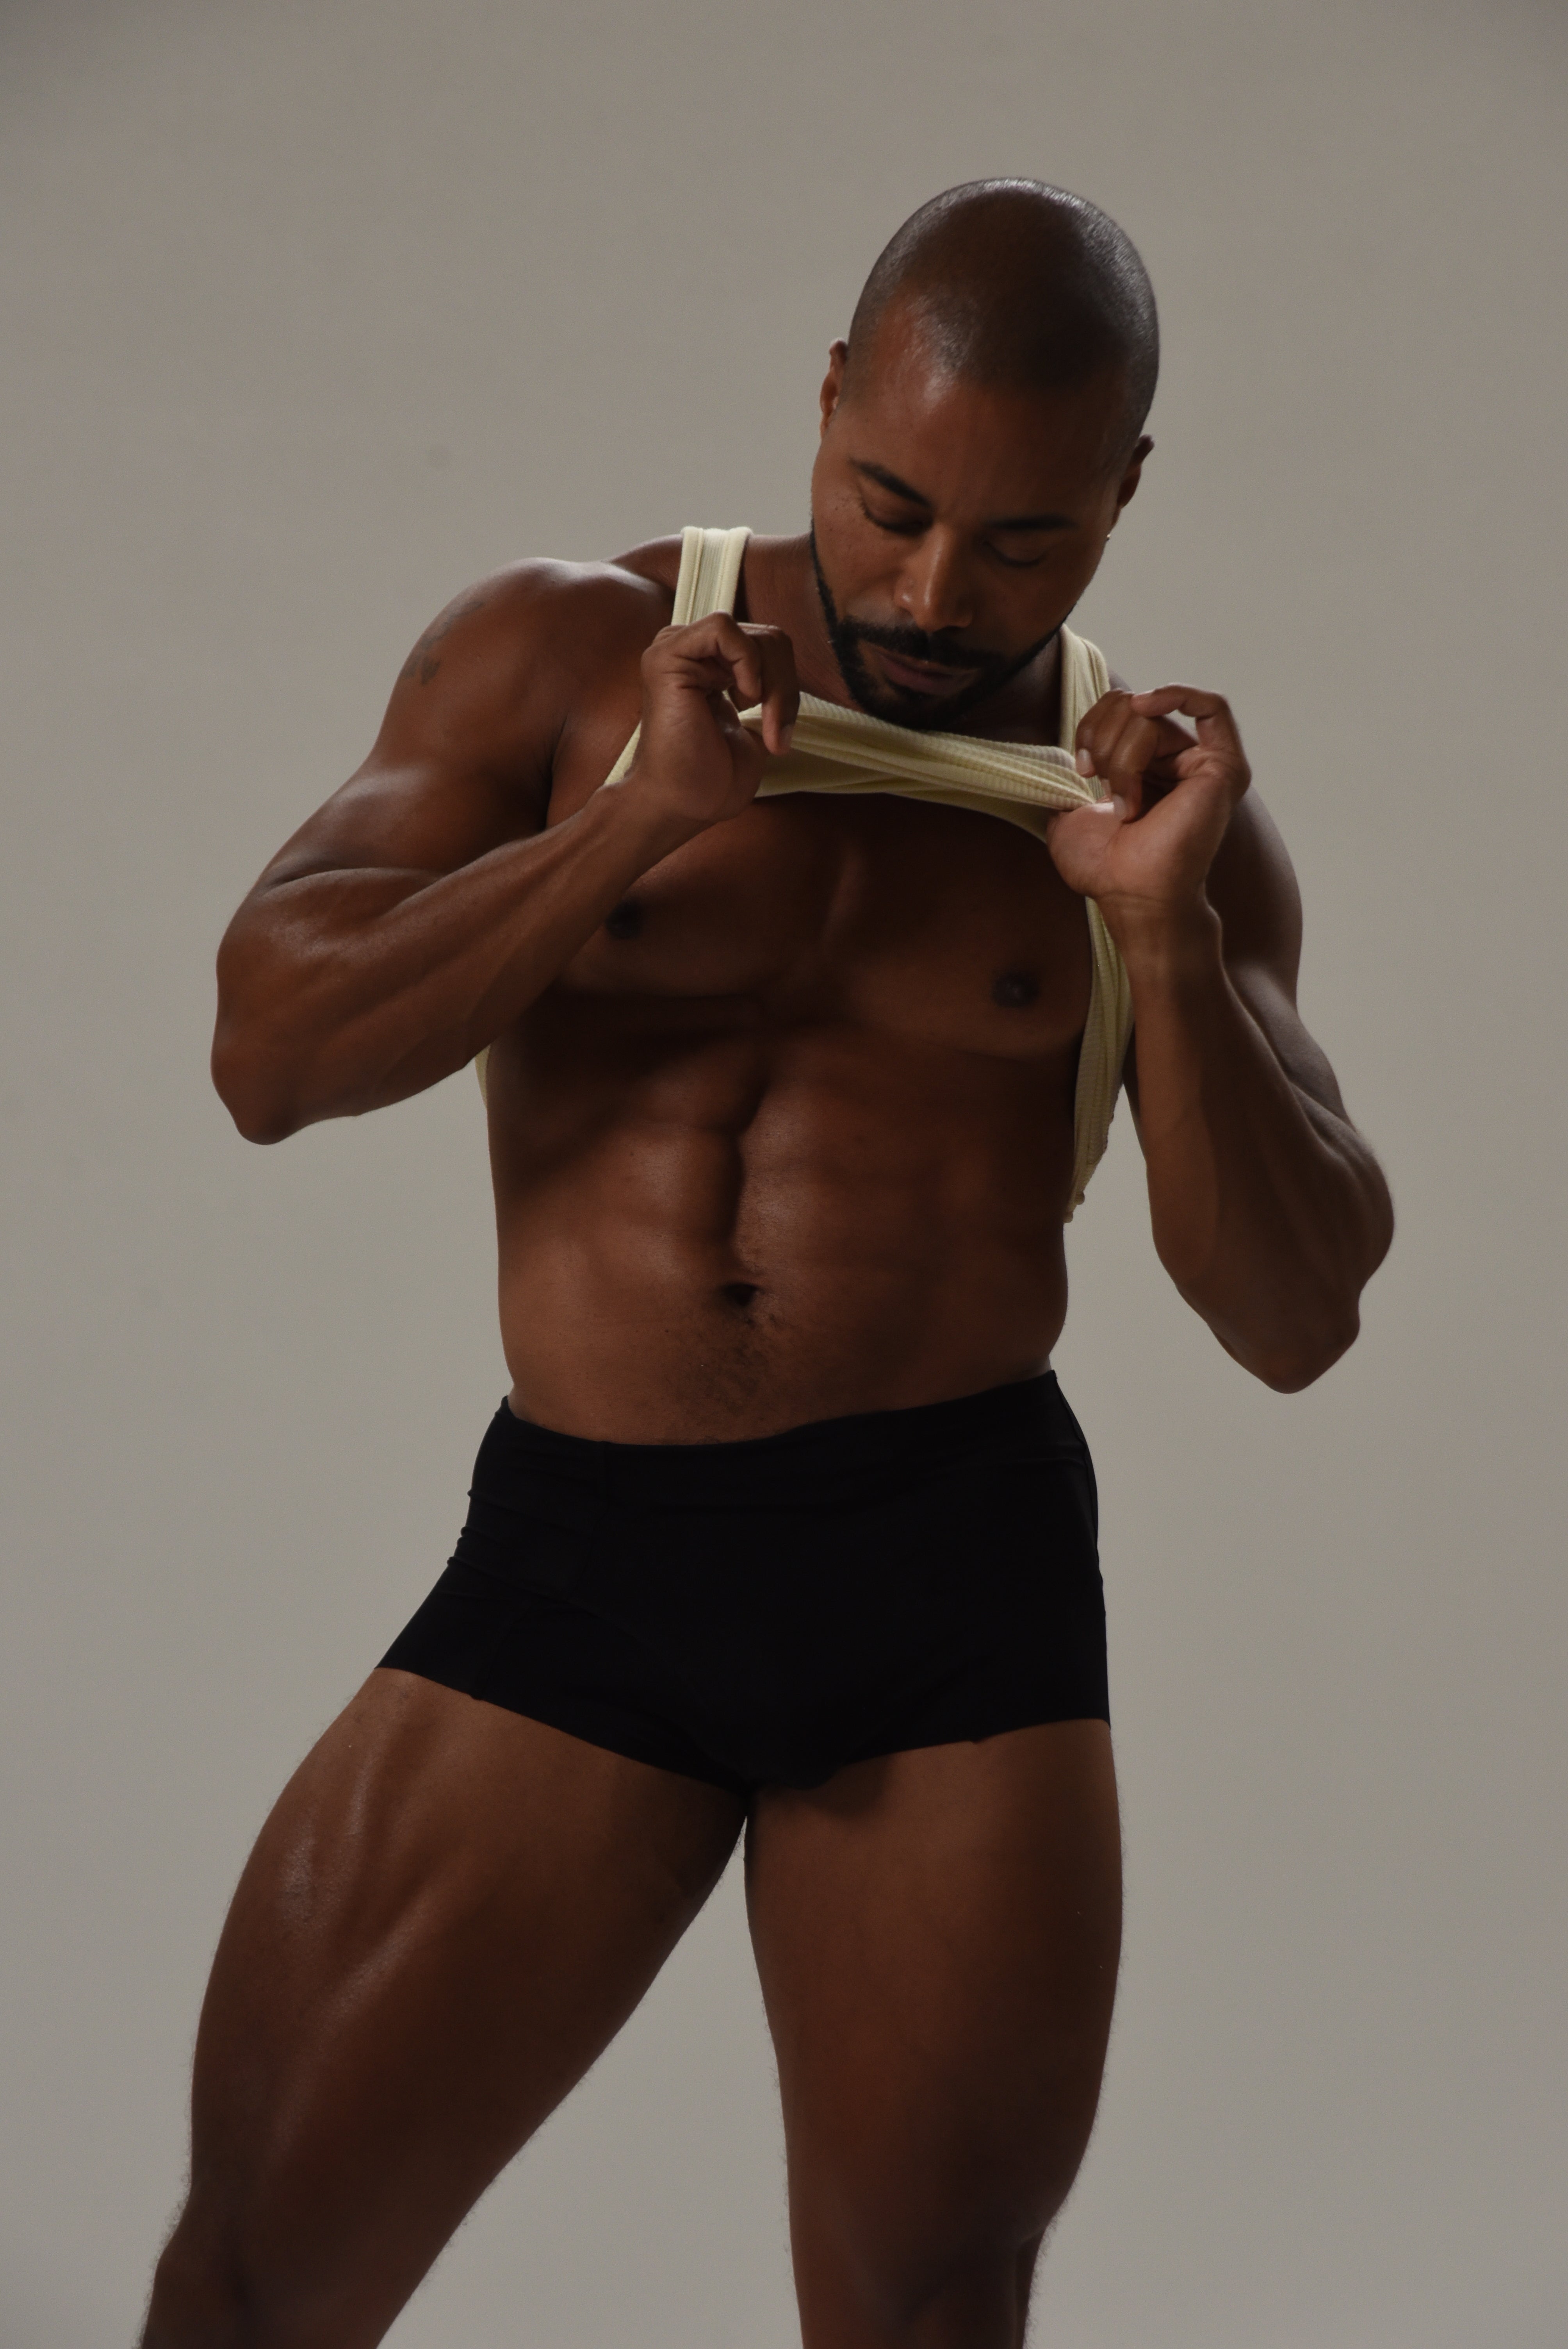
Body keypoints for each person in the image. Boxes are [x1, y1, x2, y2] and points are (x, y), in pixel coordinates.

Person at [141, 180, 1392, 2349]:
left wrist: (1164, 940)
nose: (934, 592)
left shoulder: (1161, 817)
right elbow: (271, 1058)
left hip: (955, 1582)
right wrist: (632, 821)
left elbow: (1294, 1318)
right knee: (258, 2280)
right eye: (890, 504)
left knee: (929, 2314)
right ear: (826, 401)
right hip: (593, 1560)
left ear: (1125, 493)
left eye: (1026, 541)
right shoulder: (562, 652)